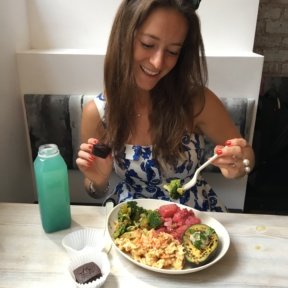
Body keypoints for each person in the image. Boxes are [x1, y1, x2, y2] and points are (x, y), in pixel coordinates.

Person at [76, 0, 255, 212]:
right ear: (123, 38)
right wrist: (98, 181)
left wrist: (240, 164)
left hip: (193, 217)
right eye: (147, 44)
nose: (158, 63)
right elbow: (92, 187)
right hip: (131, 222)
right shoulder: (97, 113)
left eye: (173, 51)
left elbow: (246, 155)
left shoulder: (197, 100)